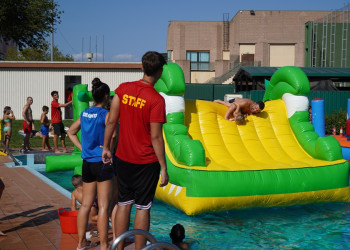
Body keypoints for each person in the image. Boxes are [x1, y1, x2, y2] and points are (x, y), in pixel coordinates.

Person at [102, 51, 169, 250]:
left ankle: (118, 247)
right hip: (146, 162)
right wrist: (164, 168)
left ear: (141, 67)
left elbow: (111, 121)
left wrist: (106, 147)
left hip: (123, 157)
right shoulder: (156, 100)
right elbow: (156, 137)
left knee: (124, 203)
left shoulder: (123, 90)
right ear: (160, 71)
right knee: (143, 207)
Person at [67, 78, 113, 250]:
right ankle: (104, 245)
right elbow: (114, 135)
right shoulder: (106, 115)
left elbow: (71, 132)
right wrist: (108, 148)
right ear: (107, 97)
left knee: (85, 205)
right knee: (103, 206)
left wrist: (83, 148)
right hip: (102, 162)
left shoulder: (85, 113)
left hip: (87, 163)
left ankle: (80, 243)